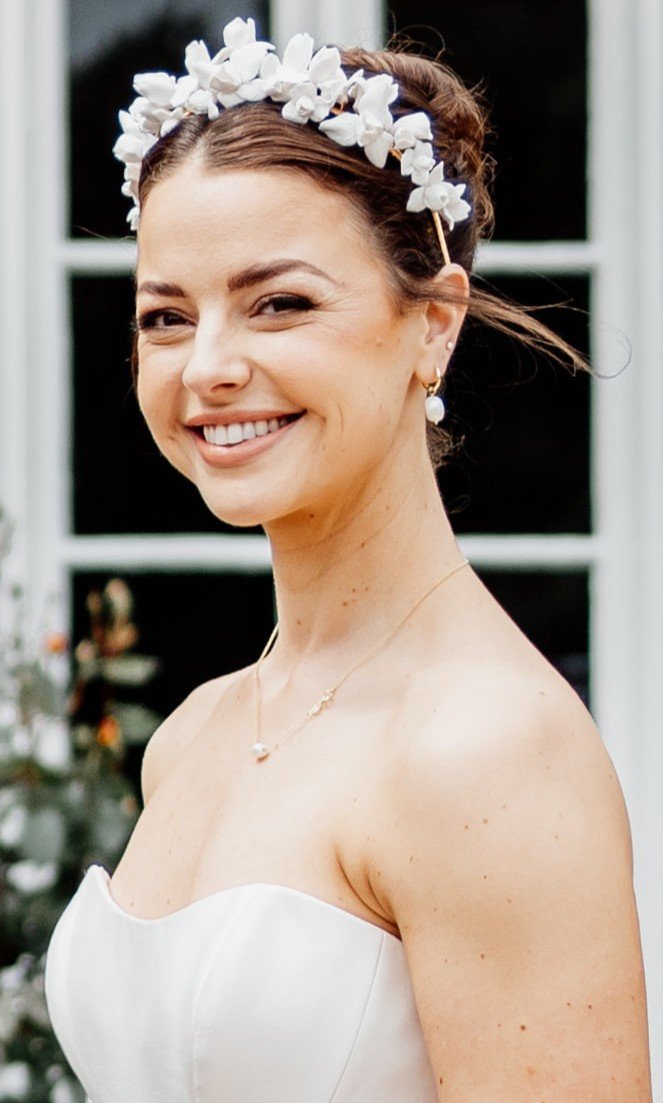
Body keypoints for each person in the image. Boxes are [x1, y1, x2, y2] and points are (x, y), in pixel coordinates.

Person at [44, 18, 652, 1102]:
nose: (211, 366)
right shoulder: (195, 735)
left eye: (280, 302)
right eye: (167, 315)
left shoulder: (489, 751)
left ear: (433, 325)